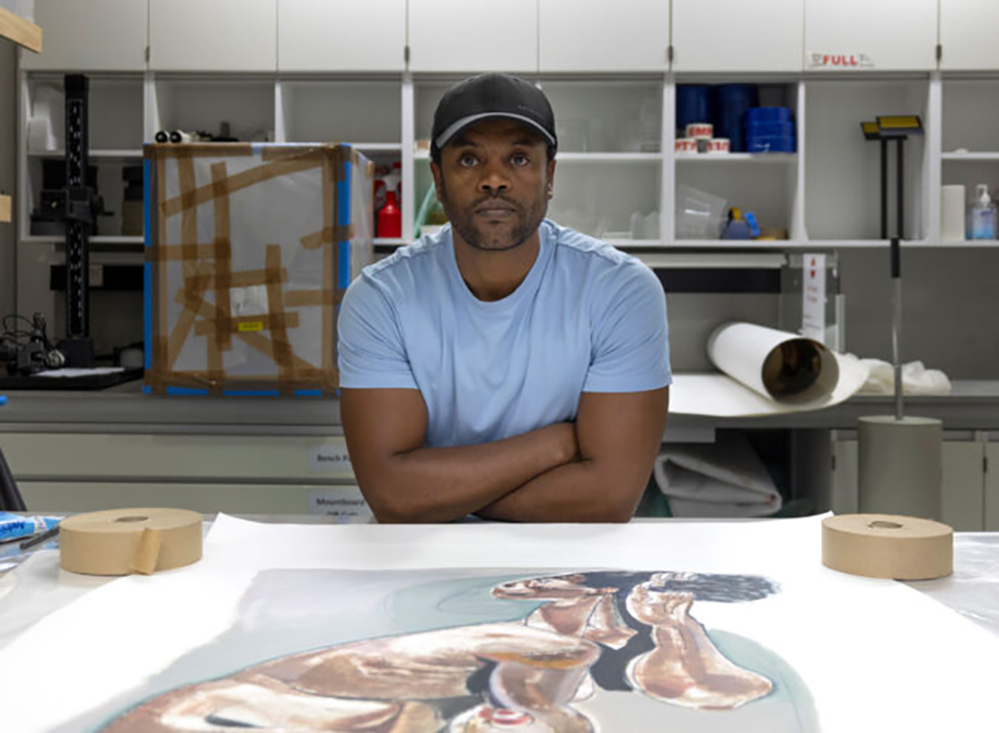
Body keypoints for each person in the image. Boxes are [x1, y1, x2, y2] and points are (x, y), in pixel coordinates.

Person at [338, 73, 671, 523]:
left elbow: (609, 497)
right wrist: (557, 444)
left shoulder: (619, 291)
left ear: (549, 175)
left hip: (568, 555)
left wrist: (437, 494)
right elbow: (392, 496)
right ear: (438, 178)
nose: (494, 180)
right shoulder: (381, 299)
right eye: (469, 159)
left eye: (518, 158)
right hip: (422, 555)